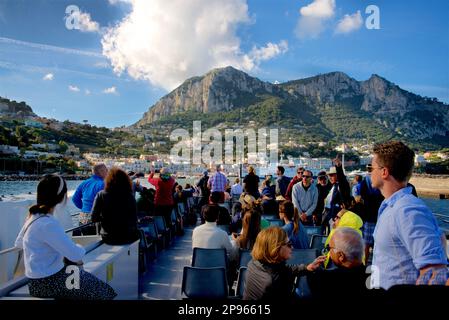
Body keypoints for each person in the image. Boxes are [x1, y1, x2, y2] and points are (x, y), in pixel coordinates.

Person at [15, 174, 116, 300]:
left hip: (35, 282)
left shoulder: (33, 217)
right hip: (51, 282)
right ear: (62, 197)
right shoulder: (48, 223)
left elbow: (19, 243)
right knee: (105, 291)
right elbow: (76, 255)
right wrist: (78, 246)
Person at [370, 141, 448, 289]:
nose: (369, 172)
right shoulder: (391, 207)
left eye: (371, 168)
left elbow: (434, 272)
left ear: (384, 172)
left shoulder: (407, 210)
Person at [243, 227, 325, 300]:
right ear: (276, 248)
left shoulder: (253, 263)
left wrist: (307, 267)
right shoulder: (277, 280)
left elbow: (285, 270)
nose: (292, 247)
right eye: (289, 244)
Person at [307, 227, 370, 298]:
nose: (328, 252)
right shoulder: (375, 277)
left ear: (341, 256)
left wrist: (310, 270)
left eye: (329, 248)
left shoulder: (325, 280)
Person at [91, 167, 139, 245]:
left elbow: (94, 218)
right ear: (125, 180)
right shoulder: (129, 195)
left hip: (108, 237)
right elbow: (134, 216)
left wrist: (105, 219)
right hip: (128, 236)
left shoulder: (101, 195)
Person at [72, 163, 108, 232]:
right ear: (102, 171)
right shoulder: (103, 184)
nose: (108, 171)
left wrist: (85, 208)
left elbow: (75, 199)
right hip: (96, 219)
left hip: (83, 218)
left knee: (87, 240)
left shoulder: (84, 183)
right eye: (106, 170)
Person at [321, 158, 351, 234]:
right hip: (329, 217)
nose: (329, 177)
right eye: (329, 175)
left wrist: (339, 167)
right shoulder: (333, 186)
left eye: (331, 175)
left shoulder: (342, 185)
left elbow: (342, 180)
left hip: (336, 218)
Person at [359, 174, 383, 265]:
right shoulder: (379, 186)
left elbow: (363, 195)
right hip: (376, 217)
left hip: (369, 218)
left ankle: (364, 264)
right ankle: (369, 263)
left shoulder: (365, 182)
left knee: (366, 244)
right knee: (374, 244)